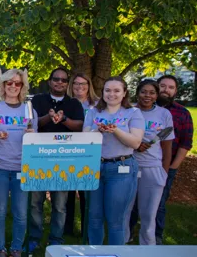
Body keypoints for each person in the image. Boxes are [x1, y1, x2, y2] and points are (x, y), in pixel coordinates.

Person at [0, 68, 37, 257]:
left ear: (22, 87)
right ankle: (0, 249)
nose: (13, 86)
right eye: (9, 83)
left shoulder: (30, 110)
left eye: (17, 83)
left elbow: (35, 142)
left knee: (21, 212)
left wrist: (31, 134)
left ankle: (16, 249)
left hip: (22, 168)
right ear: (3, 86)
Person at [27, 68, 84, 252]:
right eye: (56, 79)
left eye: (64, 80)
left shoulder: (74, 103)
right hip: (38, 157)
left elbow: (79, 126)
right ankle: (35, 237)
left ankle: (56, 240)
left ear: (67, 84)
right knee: (36, 202)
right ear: (50, 81)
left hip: (64, 159)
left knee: (60, 205)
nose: (60, 82)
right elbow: (31, 124)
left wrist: (64, 119)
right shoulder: (37, 100)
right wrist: (48, 117)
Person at [83, 76, 144, 245]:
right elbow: (84, 137)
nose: (112, 94)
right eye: (107, 90)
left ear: (124, 93)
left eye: (117, 90)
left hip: (121, 168)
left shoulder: (133, 113)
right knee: (94, 217)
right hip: (95, 167)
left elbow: (135, 142)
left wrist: (115, 130)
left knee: (115, 220)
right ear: (102, 92)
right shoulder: (94, 111)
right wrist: (98, 130)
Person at [127, 80, 174, 245]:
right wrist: (136, 144)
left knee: (148, 215)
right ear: (137, 93)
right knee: (125, 212)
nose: (147, 96)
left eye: (152, 93)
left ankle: (148, 248)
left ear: (156, 96)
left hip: (153, 169)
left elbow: (167, 147)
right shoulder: (128, 111)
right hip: (129, 166)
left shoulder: (164, 114)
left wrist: (164, 172)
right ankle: (122, 244)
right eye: (143, 92)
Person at [154, 75, 193, 244]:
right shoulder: (141, 109)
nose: (166, 90)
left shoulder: (182, 113)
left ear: (175, 91)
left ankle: (156, 236)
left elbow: (186, 143)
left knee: (160, 203)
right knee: (134, 203)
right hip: (143, 163)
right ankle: (131, 233)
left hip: (166, 165)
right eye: (163, 86)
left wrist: (173, 167)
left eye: (170, 87)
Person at [64, 72, 100, 236]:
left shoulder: (97, 105)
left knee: (87, 195)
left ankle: (87, 230)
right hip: (68, 151)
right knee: (67, 194)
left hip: (90, 153)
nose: (79, 87)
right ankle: (67, 229)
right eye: (76, 84)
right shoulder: (66, 103)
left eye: (83, 84)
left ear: (89, 86)